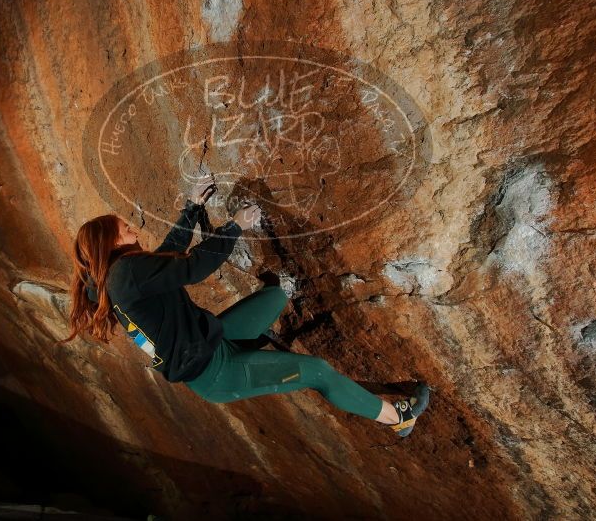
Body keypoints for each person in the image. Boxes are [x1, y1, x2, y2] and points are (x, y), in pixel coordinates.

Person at [60, 174, 430, 437]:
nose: (134, 230)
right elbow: (191, 267)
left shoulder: (119, 277)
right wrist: (234, 227)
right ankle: (397, 417)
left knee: (278, 293)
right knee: (316, 371)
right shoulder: (124, 274)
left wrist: (193, 208)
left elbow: (167, 257)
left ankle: (261, 343)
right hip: (216, 373)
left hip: (214, 340)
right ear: (108, 241)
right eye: (125, 229)